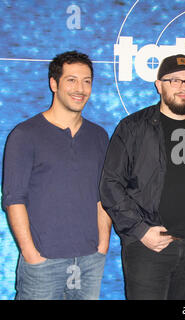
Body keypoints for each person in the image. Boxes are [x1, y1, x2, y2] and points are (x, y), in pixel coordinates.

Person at [99, 54, 185, 300]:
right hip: (147, 247)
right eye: (174, 80)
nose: (183, 87)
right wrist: (141, 230)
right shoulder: (133, 128)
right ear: (159, 85)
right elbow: (110, 185)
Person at [2, 51, 111, 300]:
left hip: (89, 261)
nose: (80, 89)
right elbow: (13, 199)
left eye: (86, 81)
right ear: (54, 83)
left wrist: (102, 244)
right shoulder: (25, 134)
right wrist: (31, 253)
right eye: (71, 80)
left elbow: (103, 196)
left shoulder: (99, 136)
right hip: (43, 262)